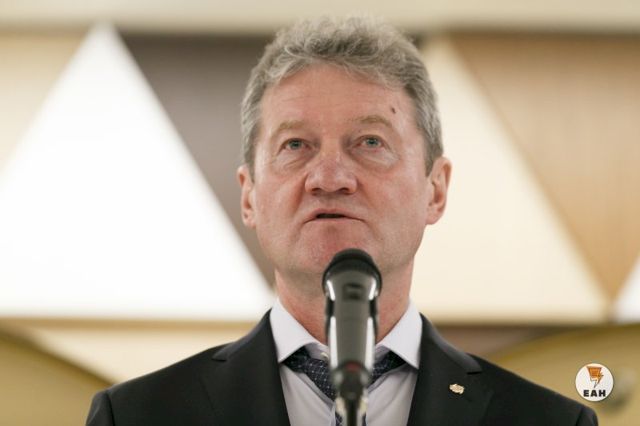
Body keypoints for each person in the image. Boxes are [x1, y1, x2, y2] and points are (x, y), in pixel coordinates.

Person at [86, 16, 598, 425]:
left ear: (435, 189)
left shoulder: (549, 421)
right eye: (295, 145)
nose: (329, 177)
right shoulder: (135, 416)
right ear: (249, 196)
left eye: (370, 142)